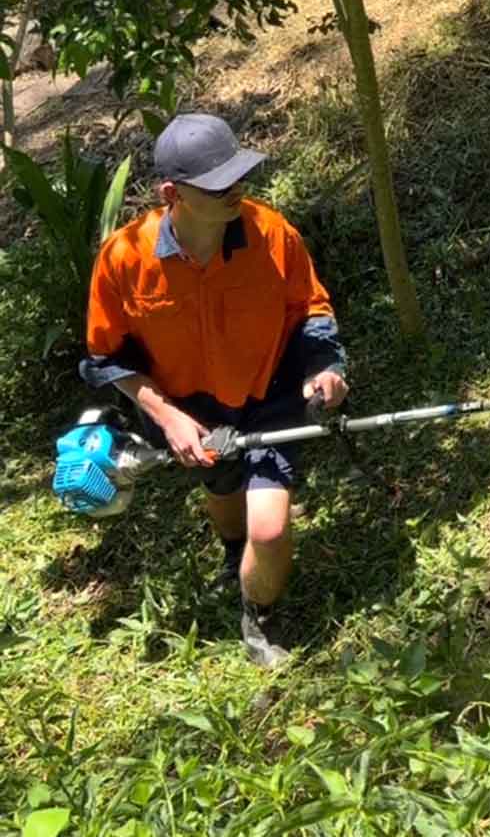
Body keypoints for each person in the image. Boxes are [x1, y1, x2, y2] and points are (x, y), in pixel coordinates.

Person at [79, 112, 348, 667]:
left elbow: (310, 309)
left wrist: (324, 367)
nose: (235, 190)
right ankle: (232, 556)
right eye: (218, 184)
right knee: (222, 488)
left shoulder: (271, 233)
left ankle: (258, 615)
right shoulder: (125, 258)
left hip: (271, 392)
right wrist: (167, 416)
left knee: (268, 529)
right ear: (172, 194)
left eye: (238, 175)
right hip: (188, 408)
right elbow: (106, 358)